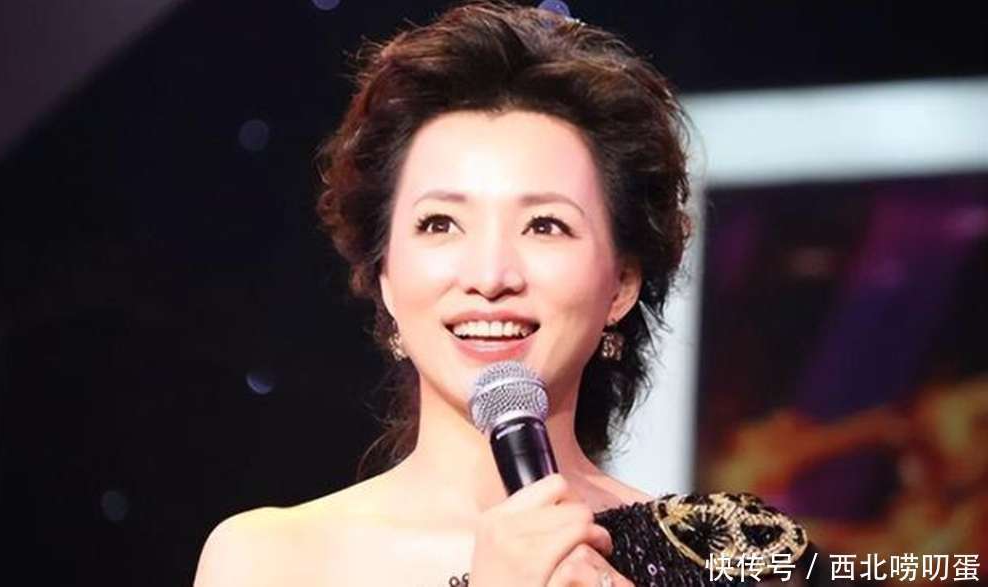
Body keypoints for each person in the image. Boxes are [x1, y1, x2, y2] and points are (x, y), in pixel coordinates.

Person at [194, 2, 808, 585]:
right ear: (385, 276)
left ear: (622, 283)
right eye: (440, 224)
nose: (490, 276)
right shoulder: (270, 562)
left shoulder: (733, 557)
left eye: (545, 226)